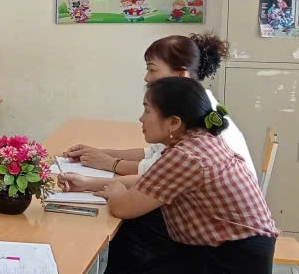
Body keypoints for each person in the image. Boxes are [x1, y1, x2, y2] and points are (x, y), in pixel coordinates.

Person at [58, 79, 277, 274]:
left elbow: (125, 207)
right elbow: (153, 183)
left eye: (147, 110)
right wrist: (93, 184)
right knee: (128, 271)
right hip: (227, 258)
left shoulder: (187, 155)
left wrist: (115, 191)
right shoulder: (198, 142)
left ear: (174, 122)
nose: (141, 119)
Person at [64, 33, 254, 176]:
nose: (147, 78)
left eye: (152, 70)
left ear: (180, 75)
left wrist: (108, 163)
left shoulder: (196, 114)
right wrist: (99, 153)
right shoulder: (190, 103)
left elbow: (157, 170)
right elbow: (153, 154)